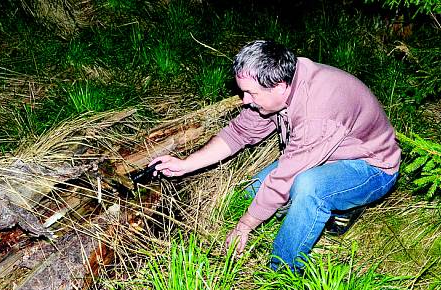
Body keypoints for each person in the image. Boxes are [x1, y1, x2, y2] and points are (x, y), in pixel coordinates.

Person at [150, 40, 401, 271]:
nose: (245, 101)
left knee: (307, 187)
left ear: (280, 87)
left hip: (371, 168)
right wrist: (185, 164)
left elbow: (285, 179)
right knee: (252, 191)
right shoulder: (283, 81)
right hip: (323, 154)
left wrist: (245, 225)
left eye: (251, 93)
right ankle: (340, 207)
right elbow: (239, 133)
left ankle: (283, 272)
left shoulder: (316, 110)